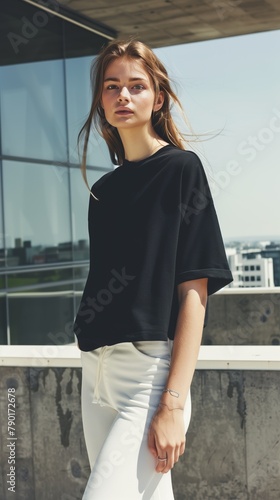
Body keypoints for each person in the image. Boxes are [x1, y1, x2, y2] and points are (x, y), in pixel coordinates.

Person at [73, 39, 233, 500]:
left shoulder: (182, 170)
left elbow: (193, 292)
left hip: (147, 376)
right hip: (94, 370)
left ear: (157, 98)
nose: (123, 95)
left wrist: (173, 402)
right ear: (101, 101)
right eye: (112, 86)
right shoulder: (102, 190)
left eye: (135, 86)